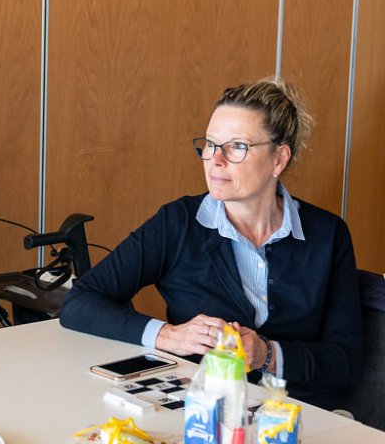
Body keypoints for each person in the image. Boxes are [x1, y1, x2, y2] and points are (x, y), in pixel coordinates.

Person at [60, 78, 362, 409]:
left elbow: (345, 362)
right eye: (210, 144)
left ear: (279, 159)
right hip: (201, 413)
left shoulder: (327, 234)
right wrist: (168, 335)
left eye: (237, 146)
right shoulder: (177, 223)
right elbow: (80, 303)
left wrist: (266, 354)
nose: (215, 160)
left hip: (295, 419)